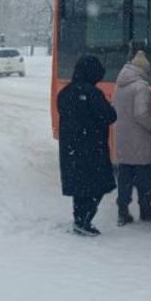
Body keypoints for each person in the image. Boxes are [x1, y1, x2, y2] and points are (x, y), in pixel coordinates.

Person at [57, 54, 118, 236]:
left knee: (80, 187)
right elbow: (110, 116)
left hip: (71, 148)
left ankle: (79, 218)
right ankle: (84, 221)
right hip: (92, 147)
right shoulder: (93, 93)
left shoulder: (65, 92)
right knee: (96, 186)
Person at [112, 50, 151, 225]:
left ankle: (122, 211)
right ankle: (145, 209)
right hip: (140, 139)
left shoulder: (120, 84)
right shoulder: (141, 87)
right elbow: (141, 114)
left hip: (123, 136)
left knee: (124, 175)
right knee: (143, 177)